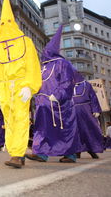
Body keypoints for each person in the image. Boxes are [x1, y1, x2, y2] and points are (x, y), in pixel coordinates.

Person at [0, 0, 42, 168]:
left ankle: (17, 154)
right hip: (3, 89)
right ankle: (16, 152)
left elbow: (32, 65)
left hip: (21, 85)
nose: (5, 26)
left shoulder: (26, 42)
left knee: (21, 118)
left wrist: (30, 86)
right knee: (8, 121)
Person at [26, 25, 79, 163]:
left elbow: (67, 82)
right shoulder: (43, 66)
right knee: (41, 129)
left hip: (59, 105)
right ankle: (40, 153)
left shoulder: (63, 63)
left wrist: (58, 96)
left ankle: (70, 154)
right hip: (42, 104)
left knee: (64, 129)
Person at [72, 70, 103, 159]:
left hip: (86, 109)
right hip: (73, 110)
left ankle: (92, 149)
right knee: (75, 131)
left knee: (88, 129)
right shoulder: (69, 85)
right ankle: (77, 150)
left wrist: (95, 109)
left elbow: (93, 97)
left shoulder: (86, 85)